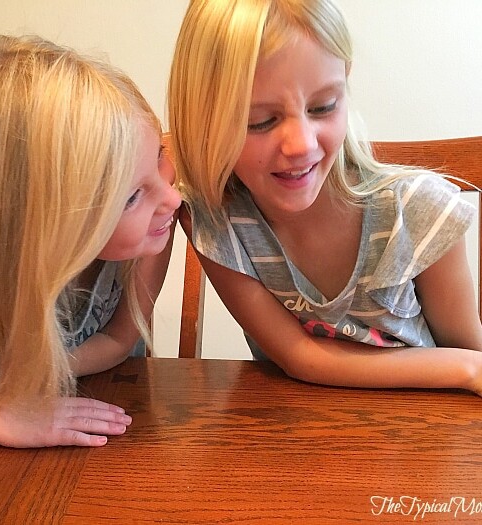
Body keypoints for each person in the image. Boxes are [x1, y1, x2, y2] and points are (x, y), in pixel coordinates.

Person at [0, 34, 181, 456]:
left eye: (159, 158)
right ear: (44, 222)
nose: (172, 198)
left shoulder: (142, 244)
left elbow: (118, 343)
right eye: (131, 196)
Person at [168, 0, 482, 395]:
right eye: (260, 121)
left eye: (323, 107)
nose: (301, 145)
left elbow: (472, 357)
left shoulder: (419, 212)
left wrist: (470, 368)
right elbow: (297, 356)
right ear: (202, 121)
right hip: (292, 442)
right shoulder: (216, 221)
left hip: (423, 441)